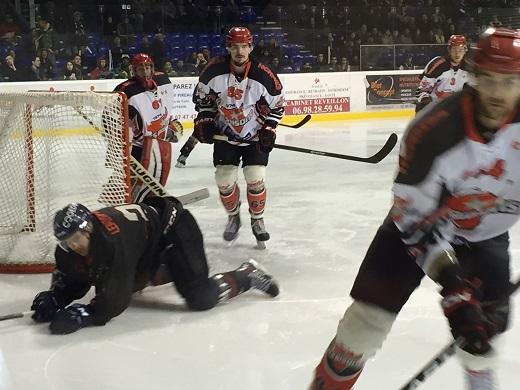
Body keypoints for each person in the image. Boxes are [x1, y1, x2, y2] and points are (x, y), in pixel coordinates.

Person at [309, 27, 519, 390]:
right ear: (475, 76)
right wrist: (453, 287)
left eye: (510, 81)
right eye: (489, 79)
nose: (498, 92)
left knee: (482, 340)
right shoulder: (432, 132)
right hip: (415, 232)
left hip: (485, 236)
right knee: (362, 327)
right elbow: (414, 221)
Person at [30, 197, 279, 335]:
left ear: (90, 228)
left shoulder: (111, 240)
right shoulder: (75, 246)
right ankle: (179, 269)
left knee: (200, 297)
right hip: (146, 245)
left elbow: (115, 300)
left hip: (174, 231)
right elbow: (75, 277)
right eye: (67, 241)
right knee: (130, 281)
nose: (74, 246)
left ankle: (247, 274)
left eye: (77, 238)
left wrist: (86, 314)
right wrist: (56, 298)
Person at [178, 26, 284, 247]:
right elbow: (203, 102)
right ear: (228, 47)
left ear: (250, 47)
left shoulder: (263, 75)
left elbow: (278, 106)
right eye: (235, 46)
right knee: (224, 179)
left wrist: (269, 129)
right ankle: (233, 216)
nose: (239, 51)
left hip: (254, 134)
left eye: (244, 46)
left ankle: (257, 220)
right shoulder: (213, 71)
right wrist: (205, 121)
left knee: (255, 176)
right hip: (225, 134)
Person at [113, 53, 184, 202]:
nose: (145, 72)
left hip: (159, 144)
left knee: (156, 181)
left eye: (147, 67)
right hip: (137, 147)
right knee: (133, 185)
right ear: (134, 70)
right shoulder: (125, 91)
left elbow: (164, 107)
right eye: (140, 69)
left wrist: (170, 123)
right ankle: (129, 205)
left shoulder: (163, 80)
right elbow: (111, 120)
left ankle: (150, 204)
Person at [415, 34, 471, 113]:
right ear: (449, 49)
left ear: (465, 51)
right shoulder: (437, 64)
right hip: (435, 108)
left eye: (460, 50)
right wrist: (426, 101)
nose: (457, 53)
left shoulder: (469, 67)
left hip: (455, 110)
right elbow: (422, 90)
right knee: (421, 107)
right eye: (454, 49)